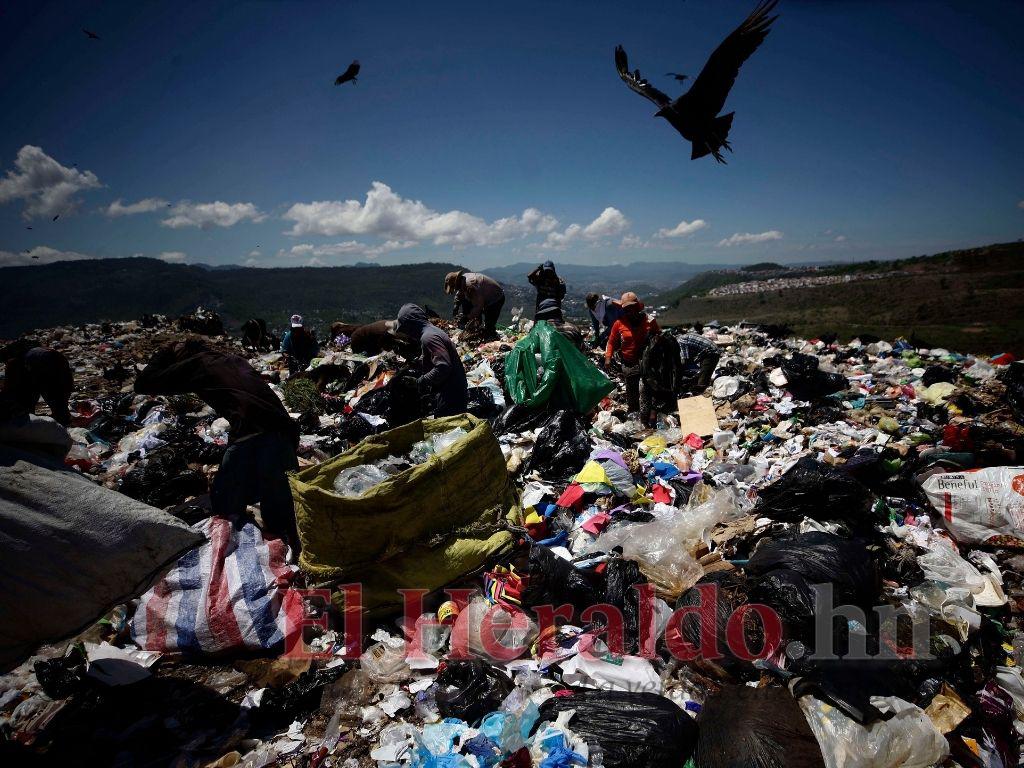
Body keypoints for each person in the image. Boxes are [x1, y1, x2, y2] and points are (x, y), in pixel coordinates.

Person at [134, 338, 301, 553]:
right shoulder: (233, 360)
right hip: (283, 434)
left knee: (227, 507)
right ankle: (291, 557)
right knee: (284, 513)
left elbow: (144, 383)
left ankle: (243, 560)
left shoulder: (197, 364)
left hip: (252, 436)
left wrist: (165, 353)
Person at [394, 304, 467, 417]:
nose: (407, 333)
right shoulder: (432, 331)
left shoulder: (428, 337)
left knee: (448, 428)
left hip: (450, 392)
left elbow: (443, 366)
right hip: (453, 387)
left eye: (405, 328)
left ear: (411, 325)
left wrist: (419, 382)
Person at [605, 292, 660, 421]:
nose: (630, 311)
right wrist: (608, 357)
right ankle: (634, 413)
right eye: (626, 309)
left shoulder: (649, 320)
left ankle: (650, 414)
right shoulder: (619, 323)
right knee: (632, 389)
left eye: (632, 308)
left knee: (648, 387)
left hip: (647, 361)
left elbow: (658, 336)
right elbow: (612, 341)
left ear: (637, 307)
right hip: (629, 362)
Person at [0, 340, 74, 425]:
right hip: (61, 366)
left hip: (47, 369)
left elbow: (16, 388)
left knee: (53, 399)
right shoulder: (37, 352)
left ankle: (62, 422)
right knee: (59, 400)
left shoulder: (15, 362)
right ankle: (65, 421)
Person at [444, 270, 506, 338]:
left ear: (456, 283)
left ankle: (490, 335)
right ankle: (475, 326)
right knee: (466, 302)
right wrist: (456, 305)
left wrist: (468, 317)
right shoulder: (463, 279)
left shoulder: (470, 285)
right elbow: (460, 293)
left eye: (454, 287)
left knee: (489, 325)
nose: (455, 289)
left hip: (495, 299)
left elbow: (478, 306)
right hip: (483, 296)